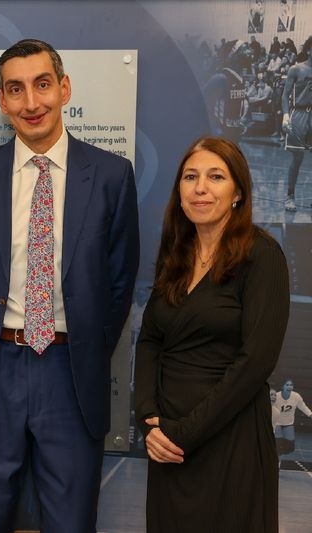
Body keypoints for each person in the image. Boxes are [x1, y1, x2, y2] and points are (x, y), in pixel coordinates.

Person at [0, 39, 139, 533]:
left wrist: (85, 347)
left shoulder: (112, 176)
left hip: (70, 373)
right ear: (2, 101)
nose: (32, 102)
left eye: (42, 85)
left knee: (71, 523)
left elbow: (119, 283)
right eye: (16, 89)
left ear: (64, 88)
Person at [135, 137, 290, 532]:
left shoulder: (263, 255)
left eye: (215, 176)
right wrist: (149, 418)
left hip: (228, 441)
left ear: (237, 192)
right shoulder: (176, 256)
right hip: (168, 445)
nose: (200, 188)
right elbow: (151, 338)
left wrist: (183, 433)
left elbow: (256, 361)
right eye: (190, 177)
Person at [281, 35, 312, 212]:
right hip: (299, 114)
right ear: (308, 49)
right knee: (298, 158)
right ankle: (290, 197)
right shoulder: (296, 69)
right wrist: (286, 115)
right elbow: (285, 94)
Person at [273, 379, 312, 455]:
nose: (289, 387)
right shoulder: (277, 396)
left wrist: (310, 414)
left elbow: (303, 407)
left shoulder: (296, 396)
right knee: (278, 446)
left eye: (291, 385)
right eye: (287, 385)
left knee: (290, 448)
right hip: (277, 423)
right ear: (283, 387)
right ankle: (275, 459)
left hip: (288, 423)